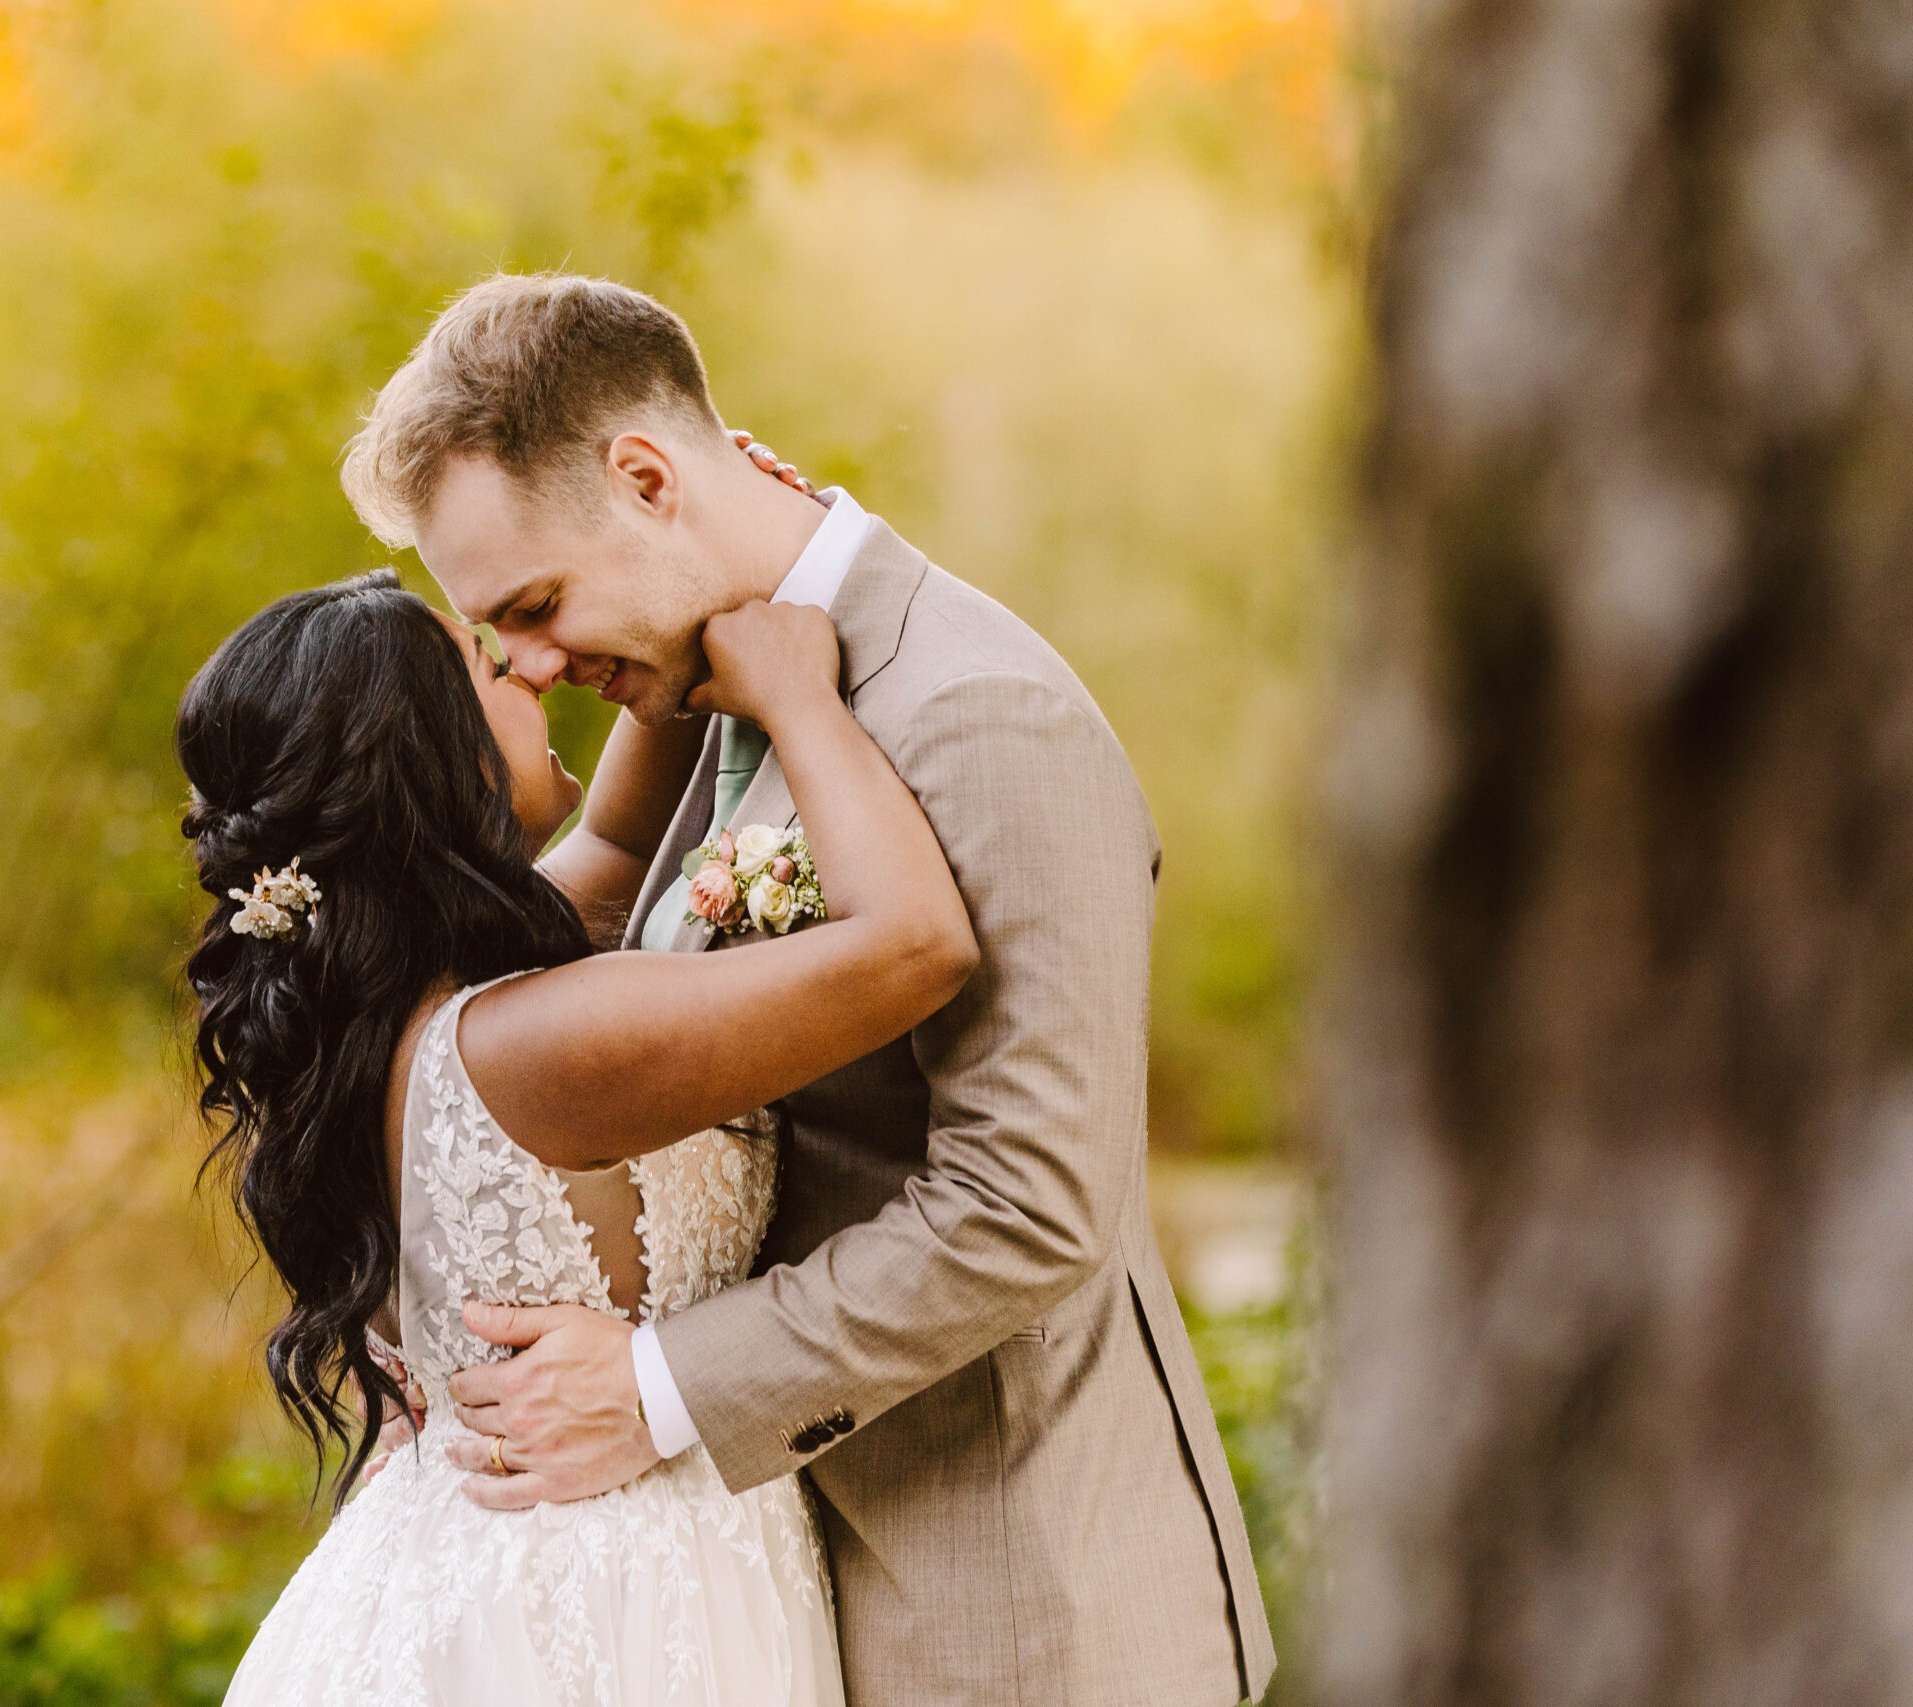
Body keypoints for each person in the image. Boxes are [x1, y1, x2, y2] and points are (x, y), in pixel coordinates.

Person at [344, 272, 1275, 1706]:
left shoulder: (976, 713)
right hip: (779, 1599)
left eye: (533, 604)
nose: (527, 665)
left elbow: (1033, 1199)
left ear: (647, 478)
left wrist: (652, 1386)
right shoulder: (703, 700)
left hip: (1013, 1608)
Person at [178, 548, 979, 1701]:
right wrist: (799, 699)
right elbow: (914, 945)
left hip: (466, 1569)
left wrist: (666, 580)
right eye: (496, 665)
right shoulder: (539, 1044)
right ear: (431, 758)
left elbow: (610, 845)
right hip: (599, 1607)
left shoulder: (383, 1017)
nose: (540, 676)